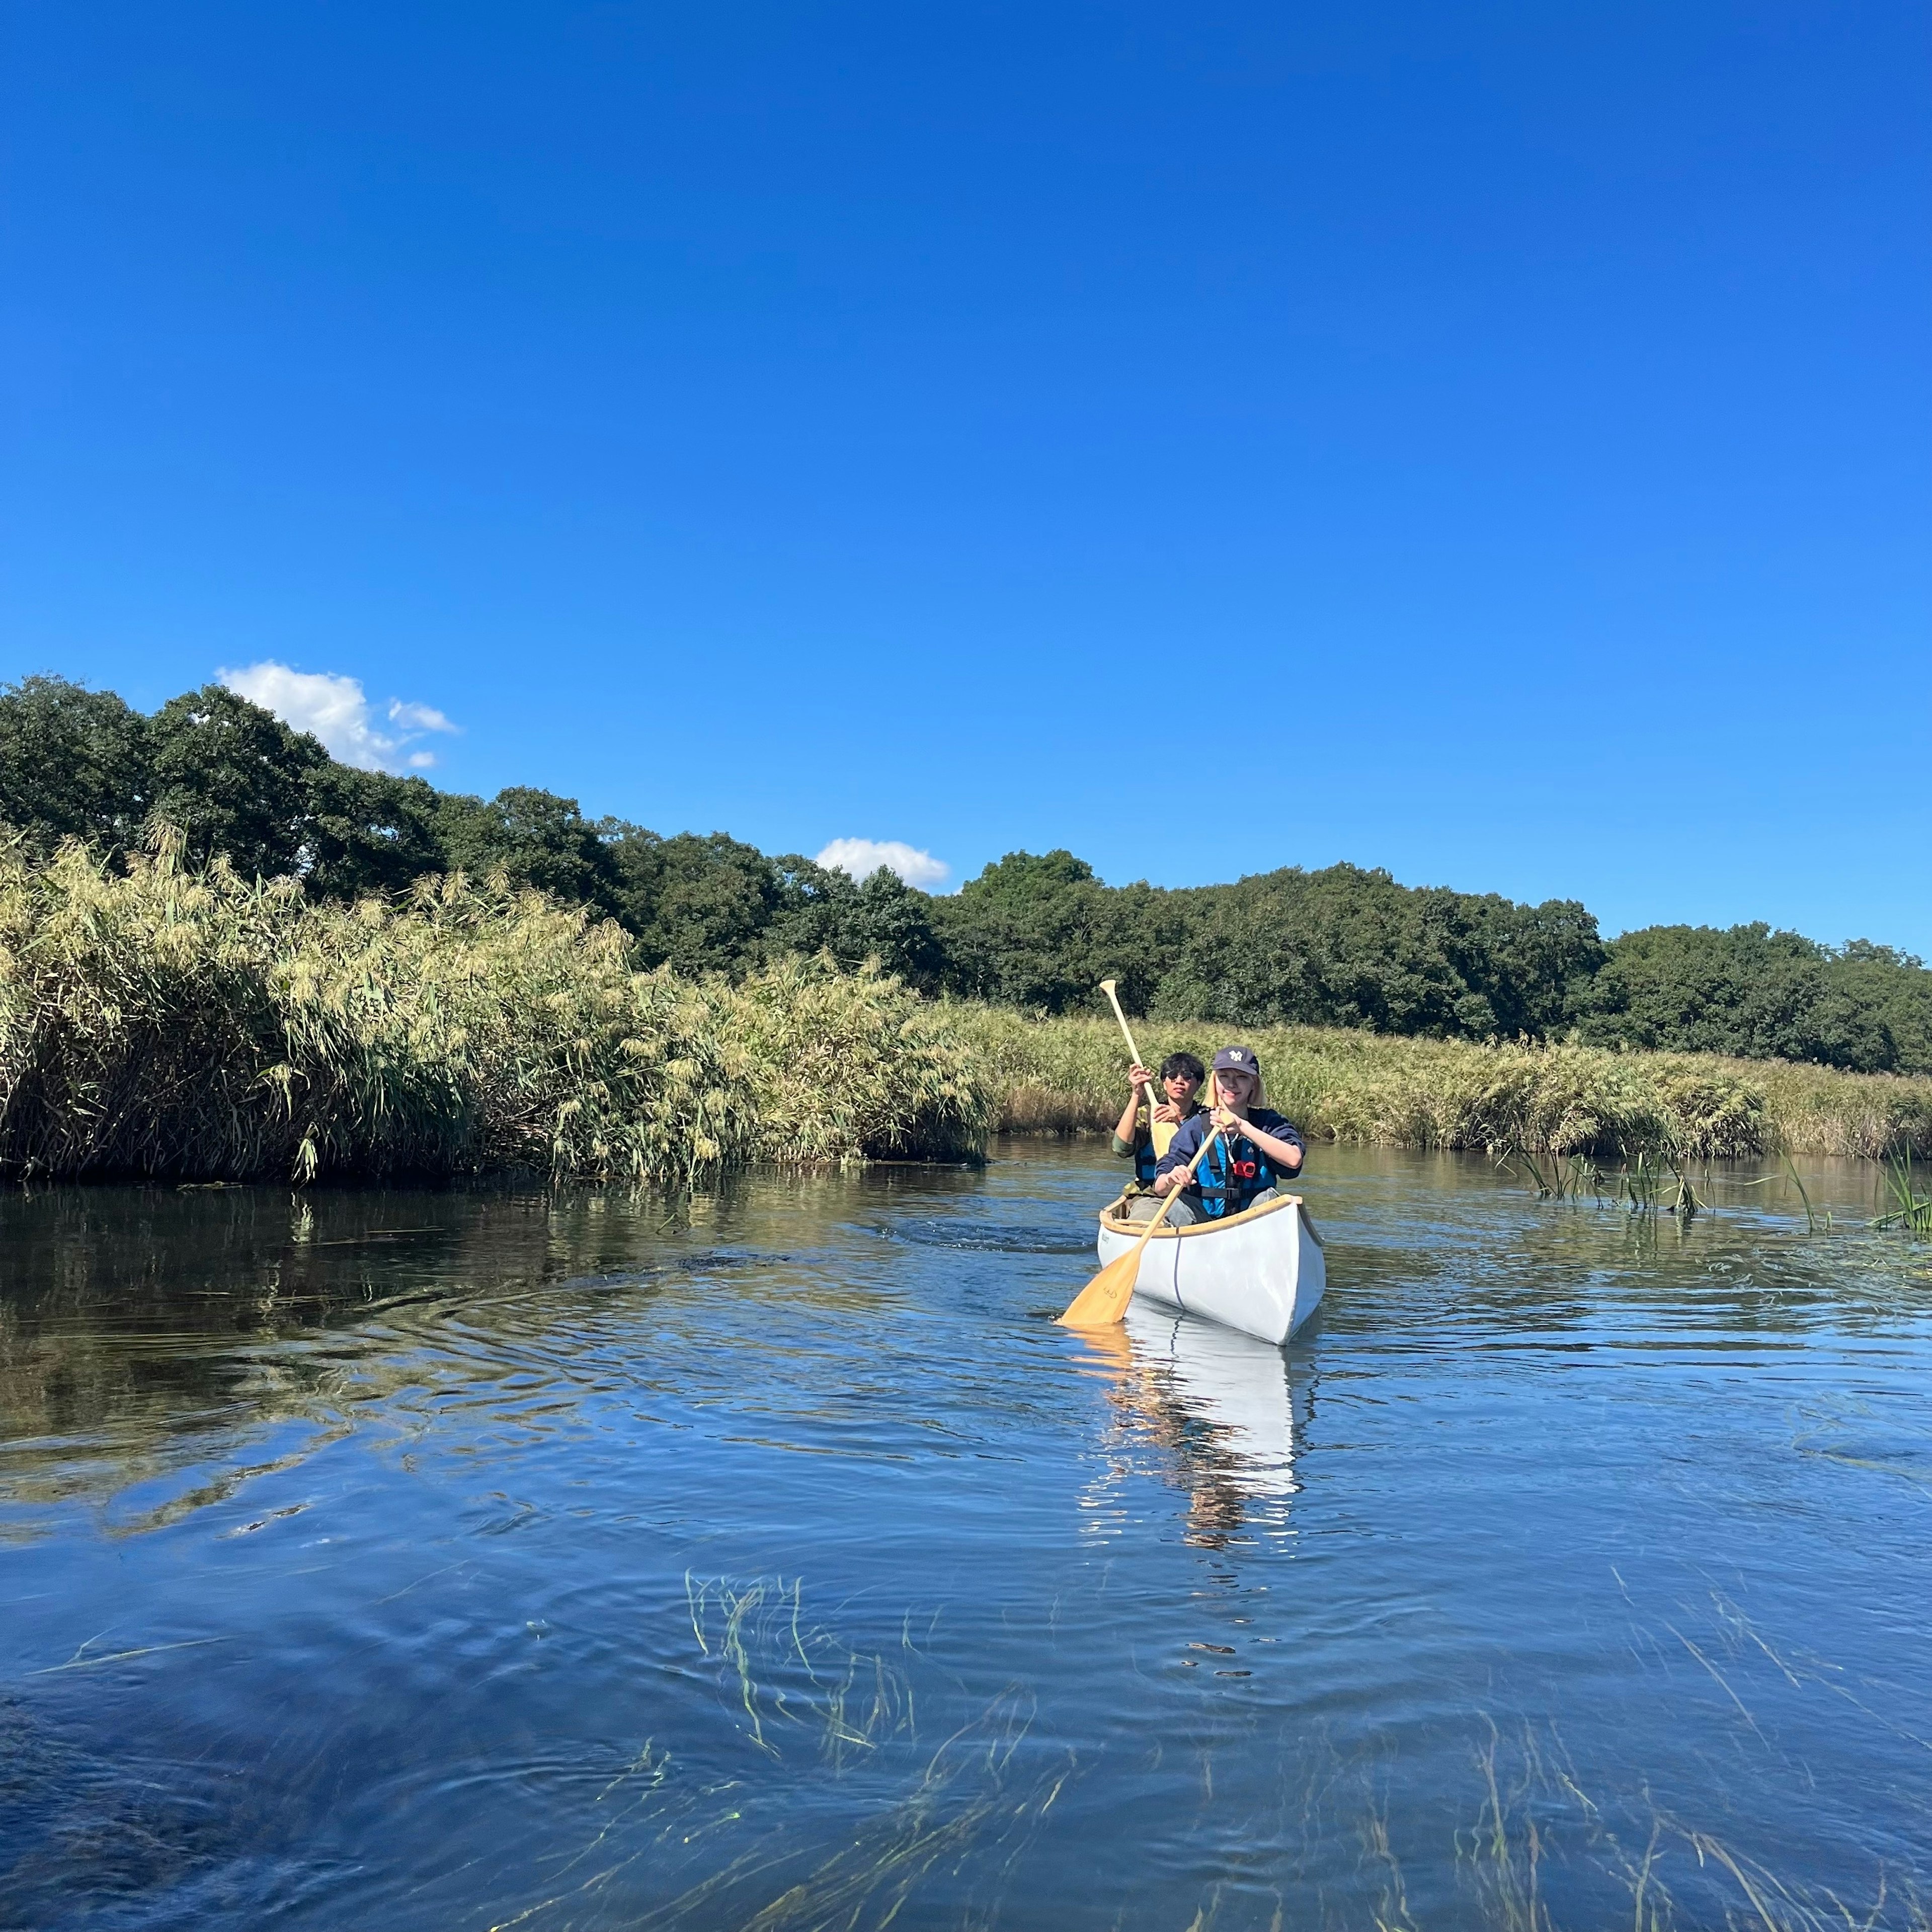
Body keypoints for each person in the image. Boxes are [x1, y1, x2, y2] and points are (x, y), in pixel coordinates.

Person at [1152, 1045, 1305, 1226]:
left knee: (1270, 1199)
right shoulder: (1196, 1126)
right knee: (1175, 1204)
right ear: (1215, 1082)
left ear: (1253, 1084)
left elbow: (1294, 1159)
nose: (1232, 1084)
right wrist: (1171, 1178)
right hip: (1204, 1225)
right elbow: (1160, 1186)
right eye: (1224, 1077)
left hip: (1252, 1223)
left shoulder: (1269, 1123)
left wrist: (1243, 1127)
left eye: (1241, 1077)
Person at [1113, 1052, 1207, 1221]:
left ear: (1199, 1084)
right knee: (1145, 1220)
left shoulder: (1207, 1119)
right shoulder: (1149, 1115)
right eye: (1172, 1077)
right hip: (1151, 1195)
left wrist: (1179, 1125)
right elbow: (1122, 1148)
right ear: (1164, 1084)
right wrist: (1136, 1095)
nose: (1179, 1081)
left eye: (1187, 1077)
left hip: (1194, 1196)